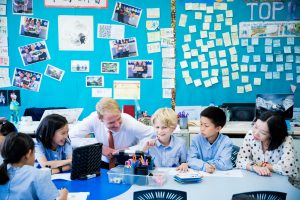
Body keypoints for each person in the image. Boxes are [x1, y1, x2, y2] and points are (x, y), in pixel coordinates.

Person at [69, 97, 154, 169]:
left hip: (129, 164)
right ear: (100, 119)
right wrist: (99, 148)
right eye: (111, 122)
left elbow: (154, 136)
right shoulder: (93, 119)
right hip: (102, 163)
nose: (117, 124)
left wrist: (128, 150)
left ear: (120, 112)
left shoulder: (130, 122)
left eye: (119, 118)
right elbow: (69, 138)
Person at [0, 132, 68, 199]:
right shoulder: (38, 175)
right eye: (34, 153)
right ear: (28, 154)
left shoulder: (3, 171)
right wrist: (63, 195)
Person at [236, 111, 299, 177]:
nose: (256, 133)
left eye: (263, 133)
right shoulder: (250, 135)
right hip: (259, 179)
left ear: (273, 135)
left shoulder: (286, 141)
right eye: (255, 127)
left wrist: (263, 165)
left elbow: (288, 168)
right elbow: (240, 161)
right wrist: (254, 167)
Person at [187, 106, 233, 173]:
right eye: (201, 124)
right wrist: (204, 166)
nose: (202, 129)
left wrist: (202, 164)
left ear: (218, 128)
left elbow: (225, 164)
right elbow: (190, 160)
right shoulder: (196, 140)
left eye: (206, 126)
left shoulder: (226, 142)